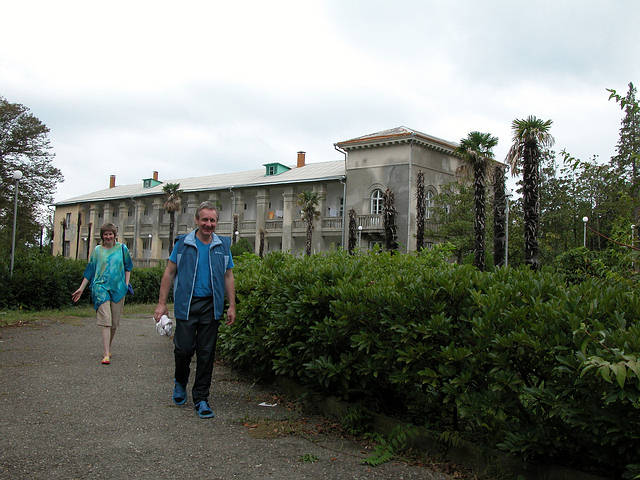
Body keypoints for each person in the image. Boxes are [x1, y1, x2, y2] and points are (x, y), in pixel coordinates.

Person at [153, 201, 236, 419]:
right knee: (183, 350)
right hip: (187, 304)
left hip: (211, 306)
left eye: (212, 220)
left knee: (206, 354)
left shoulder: (222, 246)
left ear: (216, 222)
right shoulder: (183, 244)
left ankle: (201, 399)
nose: (208, 224)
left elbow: (228, 275)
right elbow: (169, 272)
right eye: (205, 219)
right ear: (197, 220)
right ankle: (180, 382)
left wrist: (232, 305)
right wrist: (162, 303)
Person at [72, 223, 133, 365]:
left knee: (114, 323)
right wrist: (81, 288)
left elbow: (128, 267)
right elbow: (90, 270)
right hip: (100, 288)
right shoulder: (97, 250)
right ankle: (106, 354)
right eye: (105, 234)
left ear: (114, 235)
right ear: (102, 236)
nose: (108, 236)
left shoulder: (122, 249)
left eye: (110, 234)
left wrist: (125, 284)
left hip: (118, 288)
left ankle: (108, 347)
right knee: (106, 319)